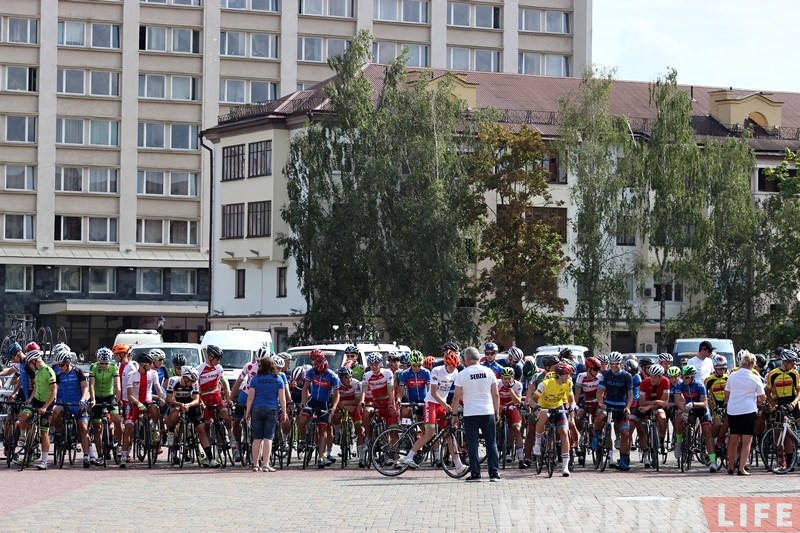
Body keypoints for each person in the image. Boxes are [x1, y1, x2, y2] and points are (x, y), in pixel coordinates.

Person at [398, 349, 462, 472]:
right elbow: (432, 392)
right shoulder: (436, 371)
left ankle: (458, 465)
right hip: (431, 403)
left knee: (449, 434)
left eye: (455, 366)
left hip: (441, 405)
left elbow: (458, 392)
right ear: (446, 363)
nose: (453, 369)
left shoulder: (456, 372)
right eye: (451, 366)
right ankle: (409, 457)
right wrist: (445, 405)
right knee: (429, 433)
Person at [451, 346, 500, 482]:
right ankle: (494, 473)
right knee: (491, 442)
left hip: (470, 412)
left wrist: (454, 415)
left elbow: (456, 397)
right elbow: (495, 394)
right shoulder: (489, 372)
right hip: (487, 411)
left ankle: (475, 473)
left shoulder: (462, 374)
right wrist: (497, 411)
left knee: (473, 443)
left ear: (466, 359)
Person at [50, 343, 93, 468]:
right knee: (55, 412)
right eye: (58, 365)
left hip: (77, 404)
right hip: (63, 403)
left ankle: (86, 456)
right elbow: (55, 390)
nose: (59, 367)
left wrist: (83, 400)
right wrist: (53, 400)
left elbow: (84, 388)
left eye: (61, 365)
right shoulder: (58, 375)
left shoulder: (78, 372)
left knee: (83, 428)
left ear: (68, 363)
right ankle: (59, 432)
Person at [530, 362, 575, 476]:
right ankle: (538, 443)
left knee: (564, 432)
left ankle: (565, 466)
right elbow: (533, 399)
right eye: (568, 374)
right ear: (561, 375)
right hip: (544, 407)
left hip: (558, 407)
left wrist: (572, 407)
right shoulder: (545, 384)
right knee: (544, 415)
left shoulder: (568, 383)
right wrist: (536, 407)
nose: (569, 376)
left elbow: (571, 400)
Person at [725, 350, 766, 475]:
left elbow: (727, 393)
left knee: (733, 439)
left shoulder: (732, 376)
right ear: (752, 364)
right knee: (746, 441)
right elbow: (762, 398)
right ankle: (741, 468)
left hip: (733, 410)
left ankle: (730, 466)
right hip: (748, 410)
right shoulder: (755, 378)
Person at [245, 354, 288, 472]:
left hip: (257, 409)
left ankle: (255, 464)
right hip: (272, 409)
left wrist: (248, 412)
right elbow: (282, 398)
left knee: (257, 438)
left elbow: (250, 397)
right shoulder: (278, 379)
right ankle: (265, 464)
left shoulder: (255, 379)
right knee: (268, 437)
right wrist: (284, 412)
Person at [16, 349, 57, 469]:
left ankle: (44, 461)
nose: (29, 366)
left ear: (34, 361)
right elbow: (36, 387)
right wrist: (30, 399)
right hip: (36, 400)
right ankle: (23, 436)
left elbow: (54, 391)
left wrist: (45, 407)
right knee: (23, 415)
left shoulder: (49, 371)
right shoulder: (37, 371)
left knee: (44, 432)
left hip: (47, 402)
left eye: (29, 363)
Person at [674, 365, 717, 472]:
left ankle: (712, 461)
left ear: (692, 377)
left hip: (701, 409)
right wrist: (684, 409)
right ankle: (679, 442)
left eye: (687, 377)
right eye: (683, 377)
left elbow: (704, 403)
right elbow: (677, 400)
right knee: (679, 417)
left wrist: (693, 404)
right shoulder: (680, 384)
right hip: (688, 408)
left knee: (707, 431)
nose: (684, 379)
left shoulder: (699, 384)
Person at [89, 347, 121, 466]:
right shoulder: (93, 367)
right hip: (97, 397)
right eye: (101, 363)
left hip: (109, 396)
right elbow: (91, 385)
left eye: (105, 363)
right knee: (97, 427)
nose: (103, 365)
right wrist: (93, 399)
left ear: (109, 361)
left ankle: (119, 445)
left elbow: (117, 386)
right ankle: (100, 455)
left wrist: (118, 400)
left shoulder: (114, 367)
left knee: (117, 419)